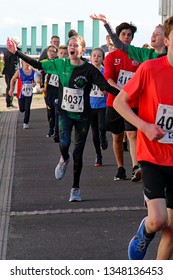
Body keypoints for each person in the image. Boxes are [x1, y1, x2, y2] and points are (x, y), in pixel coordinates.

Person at [7, 35, 119, 202]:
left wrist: (127, 95)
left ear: (82, 50)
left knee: (78, 153)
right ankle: (64, 157)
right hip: (65, 114)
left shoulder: (89, 70)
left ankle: (75, 188)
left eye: (76, 45)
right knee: (64, 144)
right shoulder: (61, 64)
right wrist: (17, 52)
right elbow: (37, 64)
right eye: (70, 45)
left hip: (83, 116)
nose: (72, 47)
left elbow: (105, 86)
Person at [113, 16, 173, 260]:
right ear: (167, 41)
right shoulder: (150, 69)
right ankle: (144, 233)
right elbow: (120, 102)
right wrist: (145, 126)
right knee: (159, 220)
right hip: (153, 156)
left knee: (172, 230)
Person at [103, 21, 141, 182]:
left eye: (129, 35)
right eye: (123, 34)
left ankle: (135, 167)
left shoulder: (137, 56)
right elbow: (108, 79)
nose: (126, 37)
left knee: (132, 134)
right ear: (118, 37)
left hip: (133, 102)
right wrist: (122, 91)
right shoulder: (111, 57)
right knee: (117, 137)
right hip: (115, 102)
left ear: (132, 38)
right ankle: (120, 167)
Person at [90, 14, 167, 62]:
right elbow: (119, 44)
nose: (153, 36)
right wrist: (106, 23)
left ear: (166, 40)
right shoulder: (144, 53)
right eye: (153, 34)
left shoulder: (169, 57)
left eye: (157, 34)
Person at [89, 47, 108, 167]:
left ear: (102, 59)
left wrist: (105, 89)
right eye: (94, 56)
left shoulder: (105, 72)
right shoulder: (87, 71)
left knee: (102, 126)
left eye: (99, 56)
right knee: (94, 133)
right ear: (90, 58)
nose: (96, 58)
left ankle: (103, 137)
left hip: (102, 104)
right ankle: (98, 155)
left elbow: (109, 84)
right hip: (90, 105)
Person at [9, 57, 35, 129]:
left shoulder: (33, 72)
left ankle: (25, 122)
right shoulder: (19, 71)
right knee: (22, 109)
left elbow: (35, 81)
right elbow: (12, 80)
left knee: (27, 108)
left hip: (29, 93)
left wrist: (34, 84)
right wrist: (11, 89)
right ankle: (22, 111)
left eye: (28, 62)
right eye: (25, 62)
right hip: (21, 93)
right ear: (22, 63)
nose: (27, 64)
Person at [2, 37, 20, 108]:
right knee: (11, 87)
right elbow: (15, 63)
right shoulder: (14, 52)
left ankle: (9, 103)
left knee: (9, 87)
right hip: (12, 72)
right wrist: (17, 72)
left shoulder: (6, 51)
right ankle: (9, 103)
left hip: (7, 71)